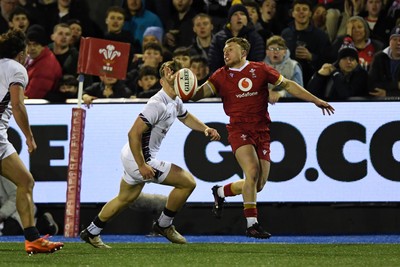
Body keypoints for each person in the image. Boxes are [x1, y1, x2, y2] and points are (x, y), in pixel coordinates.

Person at [192, 37, 334, 238]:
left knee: (257, 184)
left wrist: (315, 100)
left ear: (243, 53)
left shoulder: (260, 69)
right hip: (238, 128)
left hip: (261, 131)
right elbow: (198, 94)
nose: (225, 53)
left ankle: (221, 192)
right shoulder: (220, 76)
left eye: (230, 49)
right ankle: (252, 224)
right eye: (224, 50)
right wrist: (184, 88)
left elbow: (289, 85)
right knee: (251, 171)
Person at [80, 60, 221, 248]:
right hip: (140, 159)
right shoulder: (157, 104)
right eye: (167, 72)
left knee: (125, 198)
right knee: (187, 183)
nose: (171, 74)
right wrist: (142, 165)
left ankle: (91, 231)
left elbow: (186, 117)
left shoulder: (175, 100)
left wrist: (205, 129)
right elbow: (133, 133)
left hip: (132, 155)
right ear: (162, 80)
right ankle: (164, 224)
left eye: (173, 71)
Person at [0, 29, 63, 254]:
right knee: (25, 182)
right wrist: (29, 136)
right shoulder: (17, 69)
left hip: (1, 139)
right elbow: (17, 105)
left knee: (25, 181)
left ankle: (32, 238)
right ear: (21, 52)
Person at [281, 0, 331, 86]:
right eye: (298, 9)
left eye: (304, 9)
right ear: (292, 13)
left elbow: (328, 61)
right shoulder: (285, 34)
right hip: (288, 81)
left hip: (314, 82)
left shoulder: (321, 36)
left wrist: (311, 57)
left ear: (310, 13)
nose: (301, 12)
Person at [208, 4, 265, 73]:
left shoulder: (255, 38)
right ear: (229, 20)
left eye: (242, 14)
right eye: (235, 14)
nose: (239, 17)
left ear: (247, 19)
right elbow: (214, 64)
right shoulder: (218, 38)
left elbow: (257, 63)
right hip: (224, 79)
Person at [25, 24, 62, 99]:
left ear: (43, 46)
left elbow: (32, 95)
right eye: (29, 44)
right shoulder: (34, 59)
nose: (32, 48)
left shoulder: (46, 65)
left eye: (36, 44)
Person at [368, 25, 400, 97]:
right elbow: (372, 85)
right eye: (395, 39)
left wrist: (388, 94)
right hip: (380, 103)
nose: (398, 43)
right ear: (389, 42)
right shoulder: (379, 58)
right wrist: (396, 85)